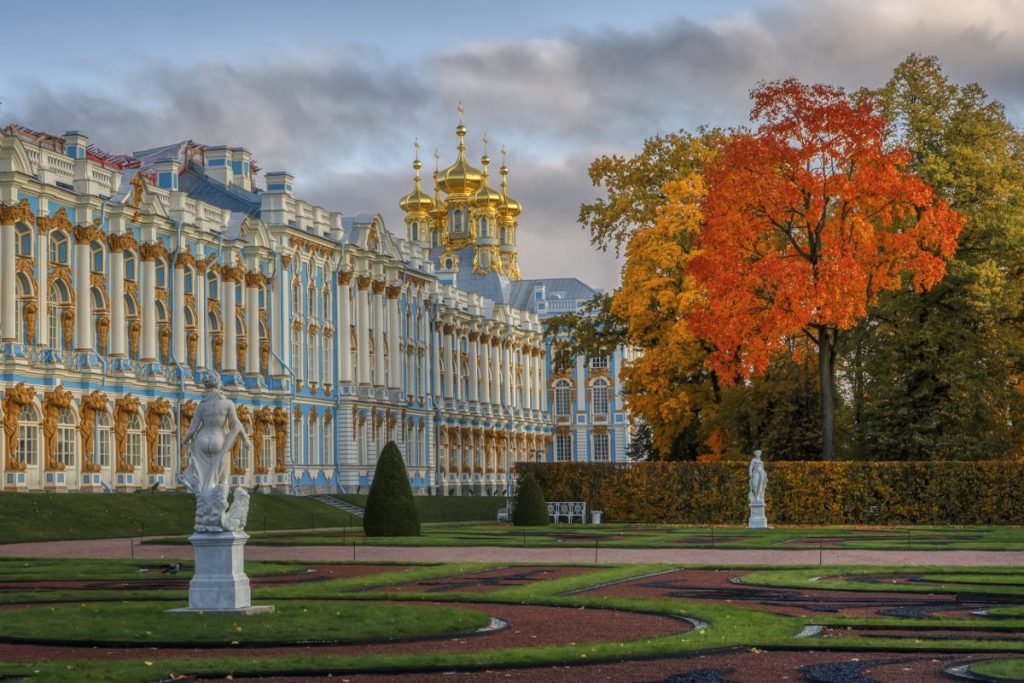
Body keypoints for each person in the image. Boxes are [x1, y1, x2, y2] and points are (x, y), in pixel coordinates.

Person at [181, 372, 252, 531]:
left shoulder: (202, 406)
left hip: (201, 440)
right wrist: (245, 440)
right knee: (221, 480)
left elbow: (192, 429)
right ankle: (217, 515)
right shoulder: (227, 404)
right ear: (219, 384)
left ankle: (206, 515)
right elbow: (236, 425)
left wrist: (185, 441)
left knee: (204, 479)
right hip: (219, 441)